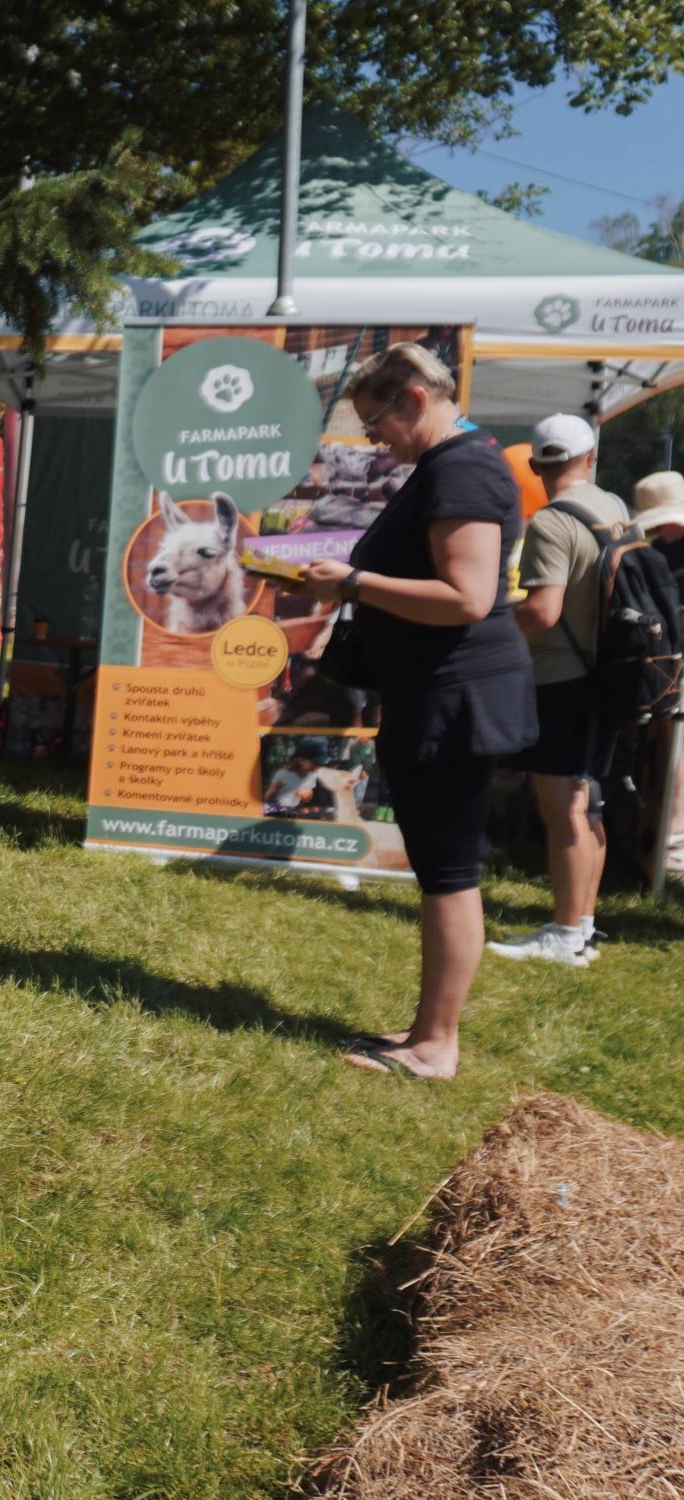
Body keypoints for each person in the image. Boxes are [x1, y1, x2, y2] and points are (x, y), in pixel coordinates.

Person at [274, 342, 534, 1081]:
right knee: (440, 868)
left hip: (456, 697)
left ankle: (434, 1047)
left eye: (375, 422)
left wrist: (354, 584)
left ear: (415, 398)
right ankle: (427, 1028)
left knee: (449, 870)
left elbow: (468, 597)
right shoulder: (451, 464)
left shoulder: (463, 468)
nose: (372, 440)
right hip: (437, 692)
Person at [483, 415, 627, 967]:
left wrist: (488, 622)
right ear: (591, 458)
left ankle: (565, 936)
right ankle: (581, 926)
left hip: (563, 678)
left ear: (535, 465)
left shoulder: (551, 522)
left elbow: (543, 612)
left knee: (562, 806)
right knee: (587, 804)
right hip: (608, 674)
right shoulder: (613, 508)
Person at [627, 470, 684, 876]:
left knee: (673, 756)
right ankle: (662, 844)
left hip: (670, 673)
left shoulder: (656, 556)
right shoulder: (658, 555)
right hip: (667, 672)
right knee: (664, 756)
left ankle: (671, 846)